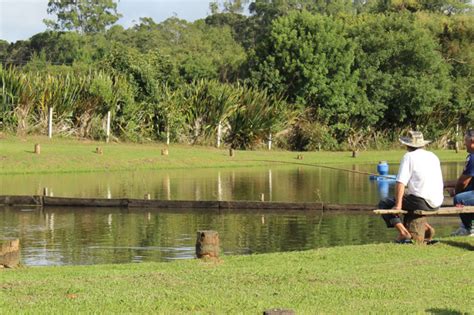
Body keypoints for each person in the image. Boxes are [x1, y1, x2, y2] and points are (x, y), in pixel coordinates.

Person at [379, 131, 444, 242]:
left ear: (408, 145)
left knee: (385, 203)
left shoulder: (408, 157)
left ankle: (403, 233)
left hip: (421, 202)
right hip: (437, 203)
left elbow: (400, 183)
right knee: (409, 201)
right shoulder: (433, 156)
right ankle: (426, 227)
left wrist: (398, 206)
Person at [445, 129, 474, 236]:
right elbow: (465, 180)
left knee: (460, 199)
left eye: (465, 140)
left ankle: (469, 228)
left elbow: (463, 183)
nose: (464, 143)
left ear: (472, 141)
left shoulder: (473, 157)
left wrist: (455, 192)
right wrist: (446, 184)